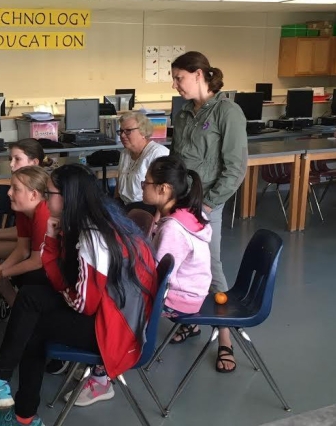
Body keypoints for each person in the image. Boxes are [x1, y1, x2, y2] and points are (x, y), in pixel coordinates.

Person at [0, 164, 158, 426]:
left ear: (68, 197)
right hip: (114, 314)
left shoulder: (92, 237)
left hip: (116, 330)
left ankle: (16, 408)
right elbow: (68, 281)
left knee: (32, 323)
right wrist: (53, 240)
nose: (46, 200)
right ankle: (5, 392)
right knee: (31, 297)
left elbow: (84, 304)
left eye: (50, 194)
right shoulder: (95, 219)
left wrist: (60, 278)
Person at [170, 51, 248, 373]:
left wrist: (206, 205)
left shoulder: (228, 113)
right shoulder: (184, 112)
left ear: (199, 75)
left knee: (211, 268)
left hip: (205, 206)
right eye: (174, 79)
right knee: (178, 266)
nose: (176, 85)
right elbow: (178, 159)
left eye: (180, 78)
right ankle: (191, 322)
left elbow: (235, 169)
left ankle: (226, 339)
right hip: (179, 203)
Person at [142, 155, 212, 316]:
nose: (143, 186)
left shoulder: (172, 229)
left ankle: (139, 339)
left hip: (182, 299)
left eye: (146, 182)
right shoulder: (188, 211)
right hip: (192, 291)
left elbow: (158, 275)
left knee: (120, 293)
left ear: (163, 188)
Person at [0, 138, 50, 268]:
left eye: (17, 159)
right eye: (10, 159)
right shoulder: (21, 201)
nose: (11, 164)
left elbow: (33, 235)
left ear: (35, 162)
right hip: (29, 243)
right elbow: (25, 233)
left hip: (42, 251)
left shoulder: (45, 197)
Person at [0, 166, 51, 307]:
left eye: (16, 189)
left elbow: (37, 261)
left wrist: (1, 274)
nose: (9, 193)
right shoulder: (22, 209)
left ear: (34, 195)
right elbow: (22, 249)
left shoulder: (43, 212)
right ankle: (15, 304)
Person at [115, 111, 169, 214]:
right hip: (126, 206)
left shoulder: (158, 153)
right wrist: (115, 204)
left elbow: (165, 194)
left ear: (143, 132)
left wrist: (156, 222)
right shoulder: (125, 153)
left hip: (146, 209)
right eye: (121, 131)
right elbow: (119, 181)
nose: (122, 135)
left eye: (128, 131)